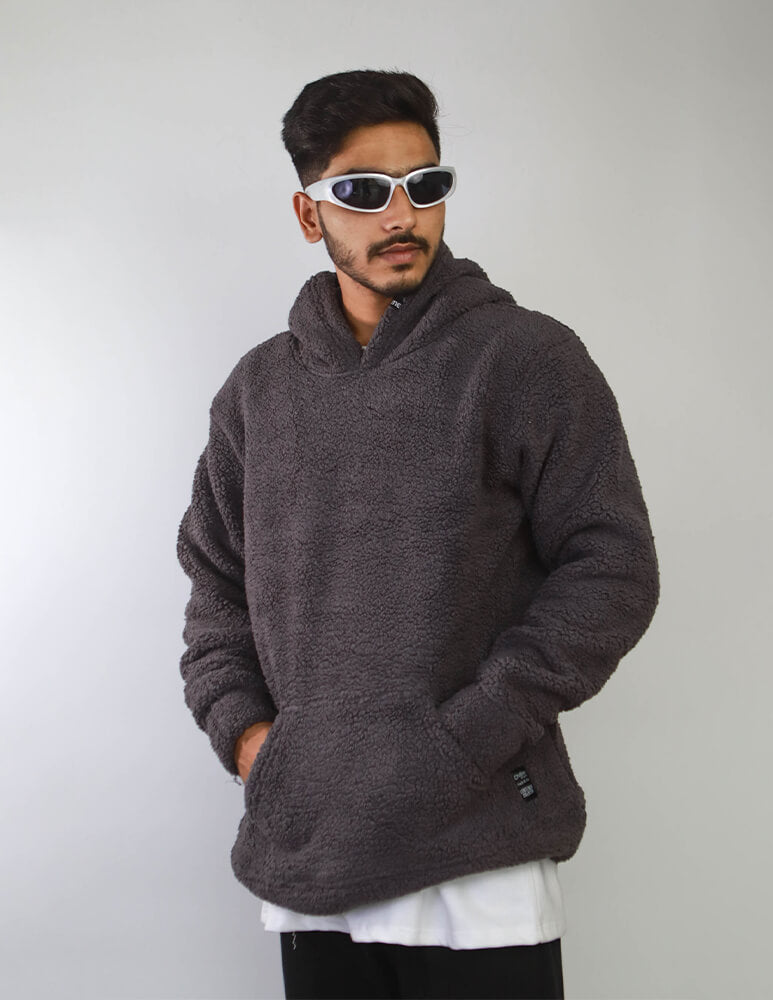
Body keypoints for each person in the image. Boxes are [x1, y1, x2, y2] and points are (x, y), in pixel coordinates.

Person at [176, 68, 660, 1000]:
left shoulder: (525, 359)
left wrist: (470, 737)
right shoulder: (257, 393)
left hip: (480, 857)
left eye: (425, 184)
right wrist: (251, 740)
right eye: (364, 191)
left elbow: (613, 568)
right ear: (309, 213)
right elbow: (215, 587)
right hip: (312, 858)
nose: (401, 214)